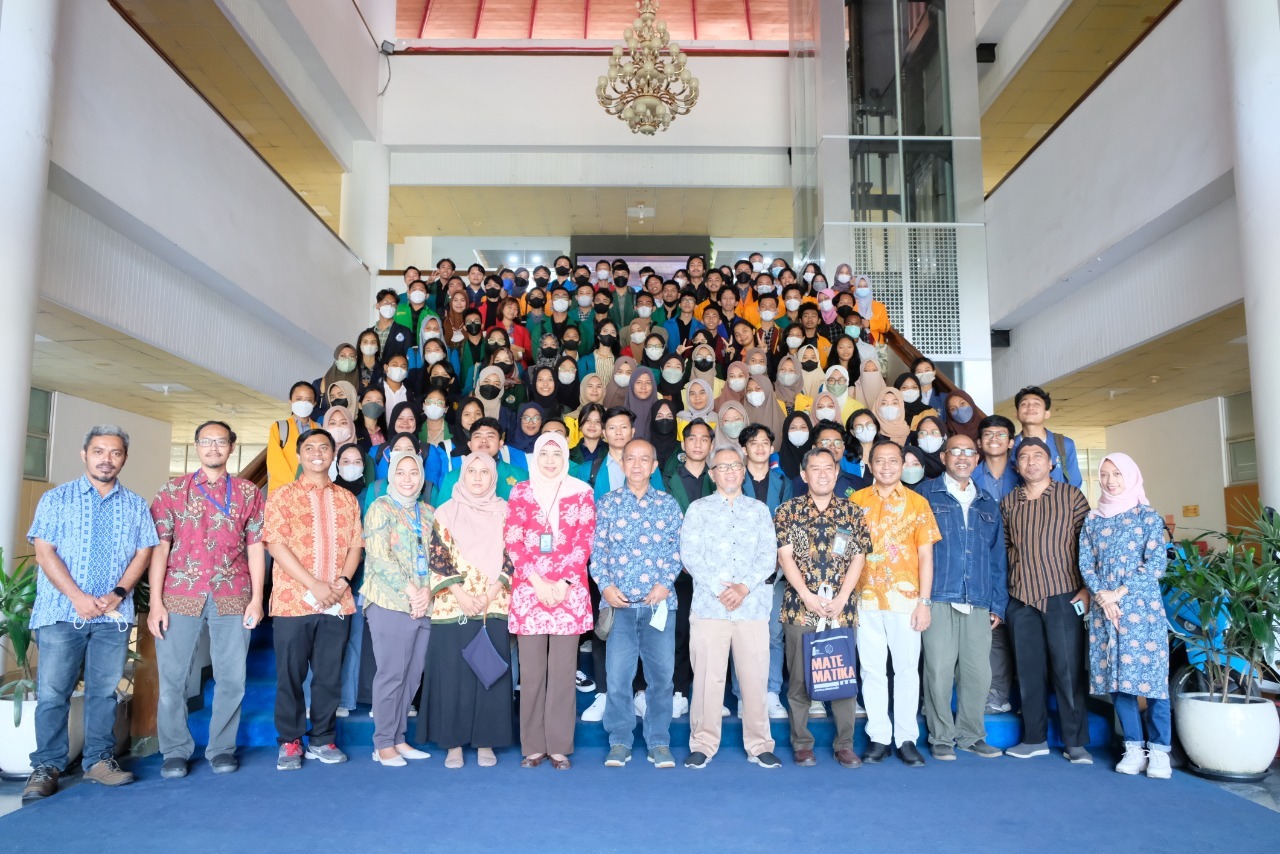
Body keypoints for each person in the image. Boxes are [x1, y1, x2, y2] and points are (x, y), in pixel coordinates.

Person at [22, 426, 159, 801]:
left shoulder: (133, 504)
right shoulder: (56, 499)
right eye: (99, 451)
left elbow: (143, 552)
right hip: (61, 614)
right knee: (52, 693)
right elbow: (44, 552)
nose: (106, 459)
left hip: (112, 619)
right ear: (85, 454)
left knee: (103, 693)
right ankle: (46, 766)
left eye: (115, 453)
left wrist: (117, 594)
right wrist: (78, 597)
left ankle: (98, 761)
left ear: (123, 459)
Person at [148, 421, 266, 779]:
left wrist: (258, 598)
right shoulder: (173, 490)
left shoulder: (248, 492)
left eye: (220, 442)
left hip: (233, 593)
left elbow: (257, 547)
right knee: (173, 679)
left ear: (232, 447)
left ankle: (221, 749)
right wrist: (155, 602)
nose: (213, 447)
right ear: (196, 446)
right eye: (206, 441)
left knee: (232, 677)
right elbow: (160, 548)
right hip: (180, 594)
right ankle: (174, 751)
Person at [263, 428, 362, 771]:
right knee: (290, 675)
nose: (317, 452)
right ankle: (290, 741)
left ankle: (322, 738)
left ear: (333, 454)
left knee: (329, 675)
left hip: (338, 600)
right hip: (293, 600)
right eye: (309, 447)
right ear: (300, 455)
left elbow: (355, 546)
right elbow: (275, 544)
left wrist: (341, 581)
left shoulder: (347, 499)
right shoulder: (282, 495)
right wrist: (314, 584)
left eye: (324, 447)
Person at [679, 446, 782, 769]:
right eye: (722, 467)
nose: (729, 472)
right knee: (708, 679)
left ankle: (760, 744)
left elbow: (768, 555)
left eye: (735, 466)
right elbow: (690, 554)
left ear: (743, 471)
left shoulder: (759, 510)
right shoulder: (698, 509)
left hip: (751, 608)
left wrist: (744, 587)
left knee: (754, 679)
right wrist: (719, 589)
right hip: (711, 608)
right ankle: (703, 743)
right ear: (712, 475)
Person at [774, 446, 871, 768]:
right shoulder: (788, 511)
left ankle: (845, 744)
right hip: (799, 608)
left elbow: (859, 556)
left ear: (836, 472)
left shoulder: (852, 512)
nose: (823, 474)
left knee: (842, 678)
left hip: (841, 608)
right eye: (815, 468)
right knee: (799, 680)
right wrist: (807, 595)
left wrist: (842, 597)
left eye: (828, 468)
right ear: (804, 475)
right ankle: (802, 744)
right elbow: (785, 556)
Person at [505, 435, 596, 770]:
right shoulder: (520, 491)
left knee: (561, 672)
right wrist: (538, 582)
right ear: (535, 456)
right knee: (531, 673)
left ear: (566, 456)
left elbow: (584, 539)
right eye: (543, 453)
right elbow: (513, 539)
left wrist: (562, 581)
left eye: (556, 453)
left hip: (568, 591)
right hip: (531, 591)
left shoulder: (581, 491)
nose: (549, 460)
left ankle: (558, 745)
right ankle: (532, 745)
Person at [591, 439, 684, 770]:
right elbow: (597, 552)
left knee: (662, 679)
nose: (637, 465)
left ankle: (658, 741)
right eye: (631, 459)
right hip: (621, 606)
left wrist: (664, 583)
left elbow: (678, 549)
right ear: (622, 463)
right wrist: (606, 586)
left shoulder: (668, 505)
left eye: (645, 459)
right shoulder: (608, 504)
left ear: (654, 465)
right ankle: (619, 741)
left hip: (660, 604)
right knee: (618, 677)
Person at [1078, 453, 1171, 779]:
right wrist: (1103, 597)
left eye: (1117, 473)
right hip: (1106, 612)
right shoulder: (1093, 520)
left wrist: (1119, 593)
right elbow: (1086, 564)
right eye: (1104, 474)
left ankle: (1160, 752)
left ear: (1130, 475)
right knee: (1118, 681)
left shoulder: (1147, 516)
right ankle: (1133, 746)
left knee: (1153, 681)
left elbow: (1156, 563)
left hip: (1142, 610)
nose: (1110, 480)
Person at [1001, 437, 1093, 763]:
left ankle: (1075, 743)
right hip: (1021, 598)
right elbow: (1005, 550)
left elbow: (1089, 545)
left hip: (1064, 595)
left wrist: (1086, 588)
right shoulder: (1009, 502)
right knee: (1028, 673)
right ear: (1016, 466)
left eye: (1037, 456)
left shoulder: (1071, 497)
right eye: (1023, 457)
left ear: (1051, 462)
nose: (1031, 462)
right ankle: (1034, 738)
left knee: (1068, 673)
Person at [851, 440, 941, 768]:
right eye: (880, 461)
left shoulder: (918, 504)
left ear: (903, 465)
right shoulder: (856, 501)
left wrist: (924, 602)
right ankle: (878, 737)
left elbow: (926, 556)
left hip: (906, 602)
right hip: (866, 600)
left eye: (893, 461)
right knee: (872, 670)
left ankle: (905, 738)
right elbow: (845, 552)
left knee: (906, 671)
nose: (886, 466)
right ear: (870, 465)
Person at [424, 452, 517, 769]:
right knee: (454, 674)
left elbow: (513, 556)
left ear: (494, 477)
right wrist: (462, 595)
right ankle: (453, 743)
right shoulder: (446, 511)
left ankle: (485, 742)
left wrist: (490, 592)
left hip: (494, 604)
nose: (478, 477)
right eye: (472, 471)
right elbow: (438, 558)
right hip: (455, 604)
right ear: (462, 475)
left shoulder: (505, 512)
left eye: (484, 472)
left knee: (488, 673)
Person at [919, 434, 1008, 761]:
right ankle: (941, 736)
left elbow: (998, 558)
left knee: (977, 673)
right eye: (955, 451)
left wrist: (997, 603)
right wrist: (920, 600)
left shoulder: (987, 501)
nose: (962, 457)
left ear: (977, 459)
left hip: (979, 597)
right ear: (944, 457)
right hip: (939, 595)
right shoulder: (925, 495)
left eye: (969, 452)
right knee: (939, 670)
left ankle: (972, 735)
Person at [361, 451, 434, 768]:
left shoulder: (429, 513)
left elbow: (440, 558)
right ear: (391, 476)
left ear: (421, 477)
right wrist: (412, 592)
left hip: (425, 604)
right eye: (400, 472)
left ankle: (399, 737)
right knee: (391, 674)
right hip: (390, 602)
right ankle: (382, 743)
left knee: (413, 676)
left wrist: (427, 590)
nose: (407, 478)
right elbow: (379, 558)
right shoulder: (380, 508)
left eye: (413, 472)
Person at [739, 424, 792, 720]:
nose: (759, 447)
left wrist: (775, 562)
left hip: (775, 570)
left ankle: (771, 692)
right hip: (739, 571)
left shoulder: (783, 481)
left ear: (772, 448)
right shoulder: (734, 478)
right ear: (744, 448)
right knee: (740, 634)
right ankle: (742, 695)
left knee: (773, 633)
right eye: (753, 442)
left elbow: (785, 524)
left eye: (765, 442)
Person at [973, 413, 1020, 714]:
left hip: (1023, 565)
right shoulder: (968, 477)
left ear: (1011, 442)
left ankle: (1023, 697)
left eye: (1000, 435)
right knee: (993, 631)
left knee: (1022, 632)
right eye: (988, 435)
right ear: (979, 442)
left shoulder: (1024, 475)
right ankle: (996, 693)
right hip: (983, 563)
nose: (994, 439)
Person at [432, 417, 528, 502]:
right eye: (478, 436)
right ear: (469, 445)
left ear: (500, 444)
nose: (483, 440)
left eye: (490, 436)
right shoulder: (452, 478)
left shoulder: (521, 476)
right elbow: (441, 517)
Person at [1012, 386, 1082, 488]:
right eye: (1024, 404)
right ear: (1017, 414)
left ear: (1047, 414)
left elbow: (1074, 483)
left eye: (1036, 404)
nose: (1030, 407)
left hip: (1058, 503)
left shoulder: (1064, 444)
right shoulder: (1009, 447)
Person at [266, 381, 318, 495]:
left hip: (312, 492)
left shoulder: (320, 429)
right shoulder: (279, 427)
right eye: (299, 399)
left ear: (314, 403)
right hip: (283, 492)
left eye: (309, 400)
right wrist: (297, 486)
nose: (304, 403)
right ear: (290, 401)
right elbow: (275, 462)